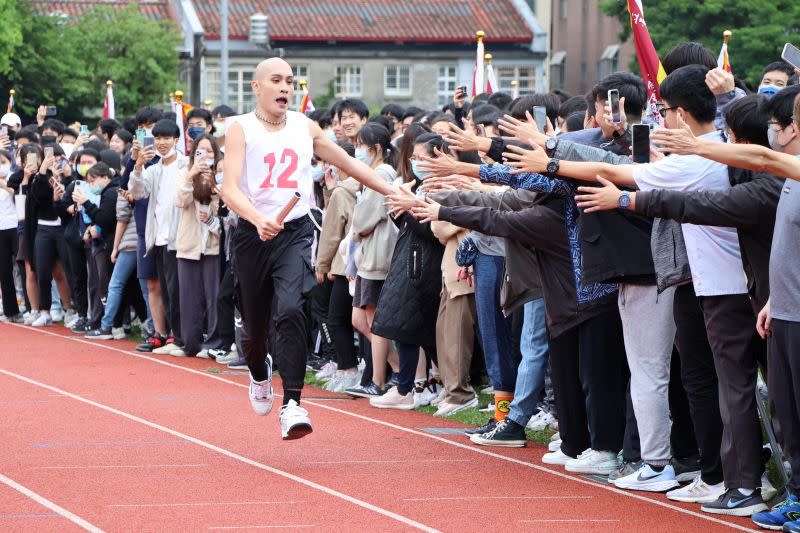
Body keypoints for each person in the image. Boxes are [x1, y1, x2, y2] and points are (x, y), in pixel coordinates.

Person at [510, 64, 767, 516]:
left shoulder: (706, 157)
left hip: (723, 288)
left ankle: (739, 482)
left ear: (683, 114)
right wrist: (553, 152)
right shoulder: (718, 151)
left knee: (729, 387)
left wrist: (557, 163)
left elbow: (631, 178)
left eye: (663, 110)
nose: (660, 118)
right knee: (710, 384)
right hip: (706, 284)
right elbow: (622, 165)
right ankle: (726, 476)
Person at [221, 57, 396, 439]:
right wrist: (256, 217)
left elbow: (350, 163)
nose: (285, 87)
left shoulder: (305, 126)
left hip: (294, 232)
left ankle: (293, 404)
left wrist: (395, 192)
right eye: (276, 80)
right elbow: (229, 188)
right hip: (253, 235)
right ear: (257, 87)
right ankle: (257, 372)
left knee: (291, 311)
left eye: (290, 81)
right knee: (253, 331)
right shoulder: (240, 129)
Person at [128, 118, 189, 356]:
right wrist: (137, 166)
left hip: (180, 237)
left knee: (177, 289)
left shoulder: (185, 164)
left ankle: (179, 335)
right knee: (164, 287)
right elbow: (137, 192)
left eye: (166, 138)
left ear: (176, 139)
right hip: (159, 238)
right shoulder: (152, 169)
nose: (162, 143)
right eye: (158, 138)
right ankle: (168, 335)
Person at [173, 133, 222, 357]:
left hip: (212, 243)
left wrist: (214, 186)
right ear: (193, 153)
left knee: (213, 296)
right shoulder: (184, 172)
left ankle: (212, 343)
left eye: (210, 151)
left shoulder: (220, 175)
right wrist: (191, 176)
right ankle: (190, 344)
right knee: (189, 296)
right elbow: (180, 201)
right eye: (200, 151)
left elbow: (223, 207)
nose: (205, 156)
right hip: (189, 243)